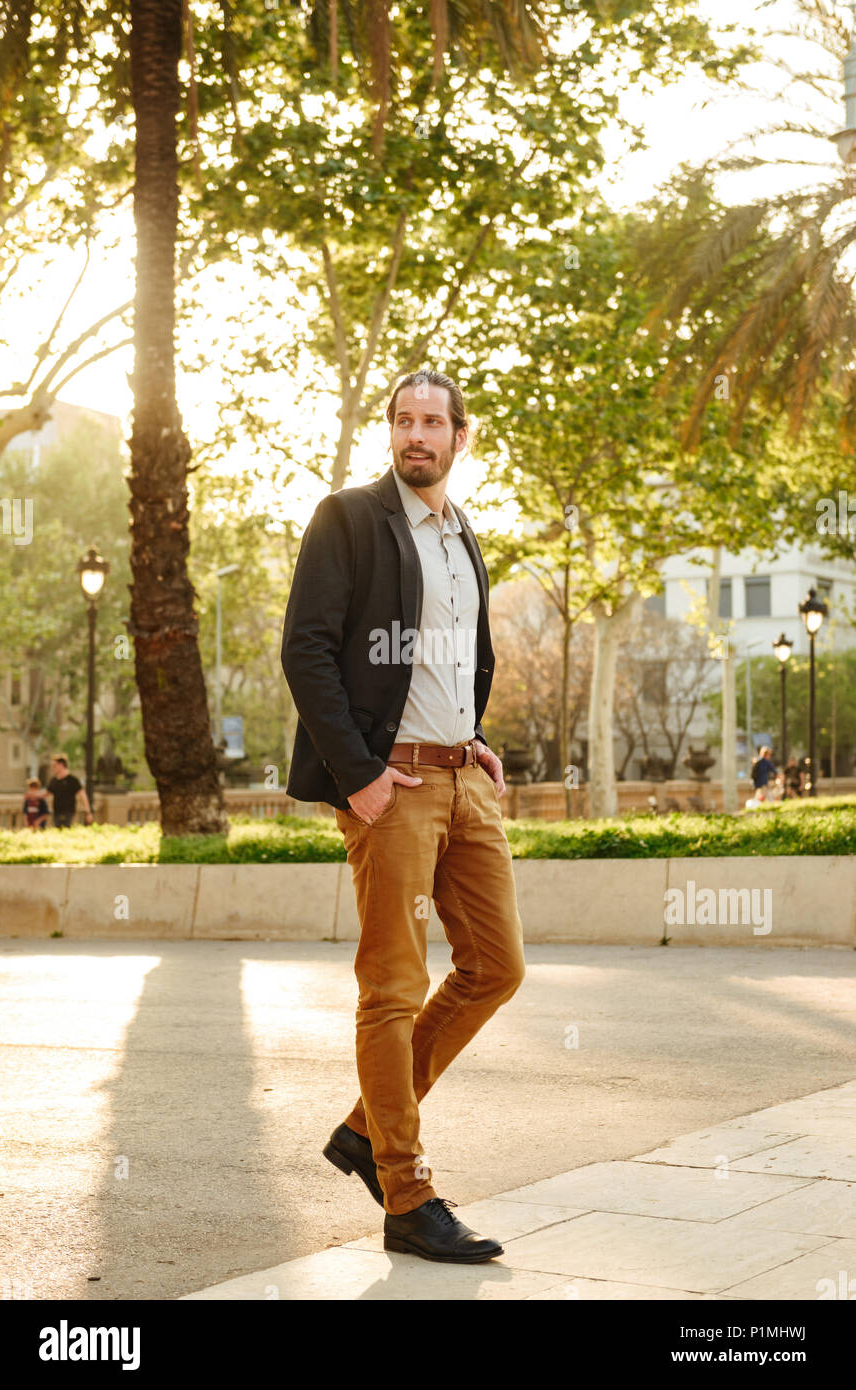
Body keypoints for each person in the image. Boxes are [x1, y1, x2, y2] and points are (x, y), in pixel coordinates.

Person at [281, 368, 525, 1265]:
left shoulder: (464, 536)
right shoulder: (348, 519)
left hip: (463, 780)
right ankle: (405, 1192)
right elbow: (305, 649)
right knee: (391, 987)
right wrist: (362, 777)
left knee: (496, 966)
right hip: (393, 790)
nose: (415, 434)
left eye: (432, 421)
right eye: (402, 420)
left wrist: (477, 737)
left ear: (461, 437)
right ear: (390, 433)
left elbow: (449, 665)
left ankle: (361, 1129)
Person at [46, 754, 93, 828]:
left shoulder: (72, 780)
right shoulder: (54, 780)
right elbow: (46, 793)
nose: (53, 768)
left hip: (69, 812)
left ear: (61, 765)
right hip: (56, 812)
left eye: (54, 766)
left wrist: (87, 812)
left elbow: (82, 795)